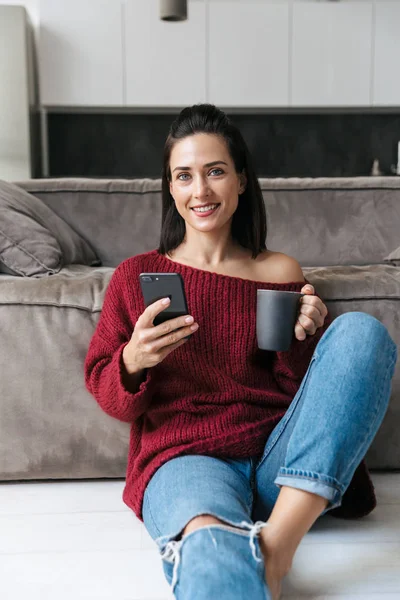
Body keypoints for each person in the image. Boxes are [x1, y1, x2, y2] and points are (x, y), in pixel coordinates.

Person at [84, 104, 397, 600]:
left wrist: (302, 340)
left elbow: (307, 398)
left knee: (361, 333)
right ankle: (244, 558)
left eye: (215, 172)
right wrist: (131, 361)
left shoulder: (277, 270)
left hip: (280, 463)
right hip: (188, 457)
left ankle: (278, 547)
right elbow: (107, 390)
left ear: (242, 180)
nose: (200, 191)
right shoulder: (135, 276)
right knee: (207, 545)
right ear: (170, 188)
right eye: (184, 176)